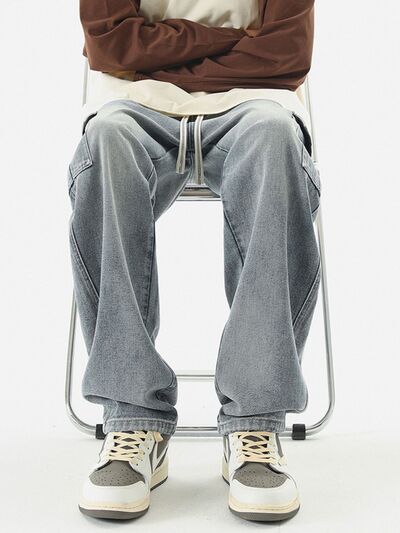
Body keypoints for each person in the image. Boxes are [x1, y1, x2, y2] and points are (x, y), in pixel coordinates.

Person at [67, 0, 321, 523]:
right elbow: (110, 43)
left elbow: (287, 51)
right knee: (107, 141)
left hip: (257, 103)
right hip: (133, 104)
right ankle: (132, 418)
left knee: (274, 137)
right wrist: (235, 42)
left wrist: (158, 49)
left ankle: (255, 422)